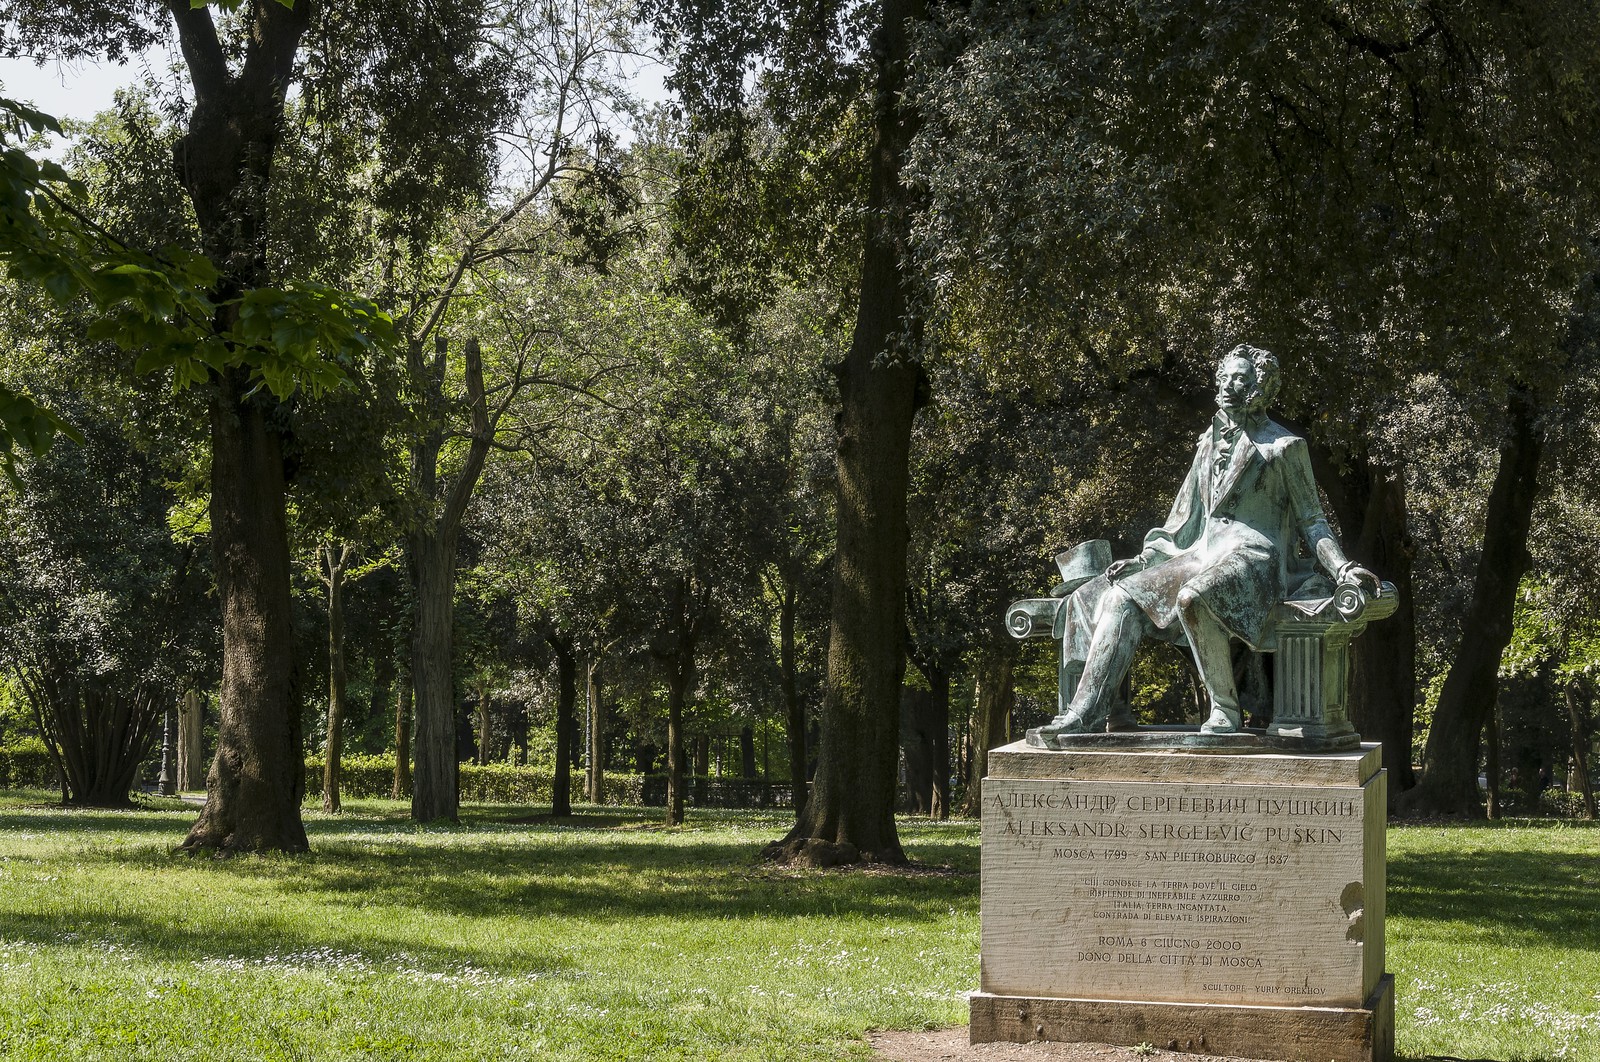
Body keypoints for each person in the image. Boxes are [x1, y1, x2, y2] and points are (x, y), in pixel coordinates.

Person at [1037, 344, 1379, 738]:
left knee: (1193, 598)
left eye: (1241, 379)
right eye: (1225, 378)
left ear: (1261, 388)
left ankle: (1224, 709)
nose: (1229, 386)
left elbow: (1312, 520)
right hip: (1200, 554)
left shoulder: (1284, 446)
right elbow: (1184, 519)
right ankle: (1085, 713)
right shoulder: (1207, 444)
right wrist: (1145, 560)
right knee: (1119, 597)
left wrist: (1342, 568)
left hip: (1255, 557)